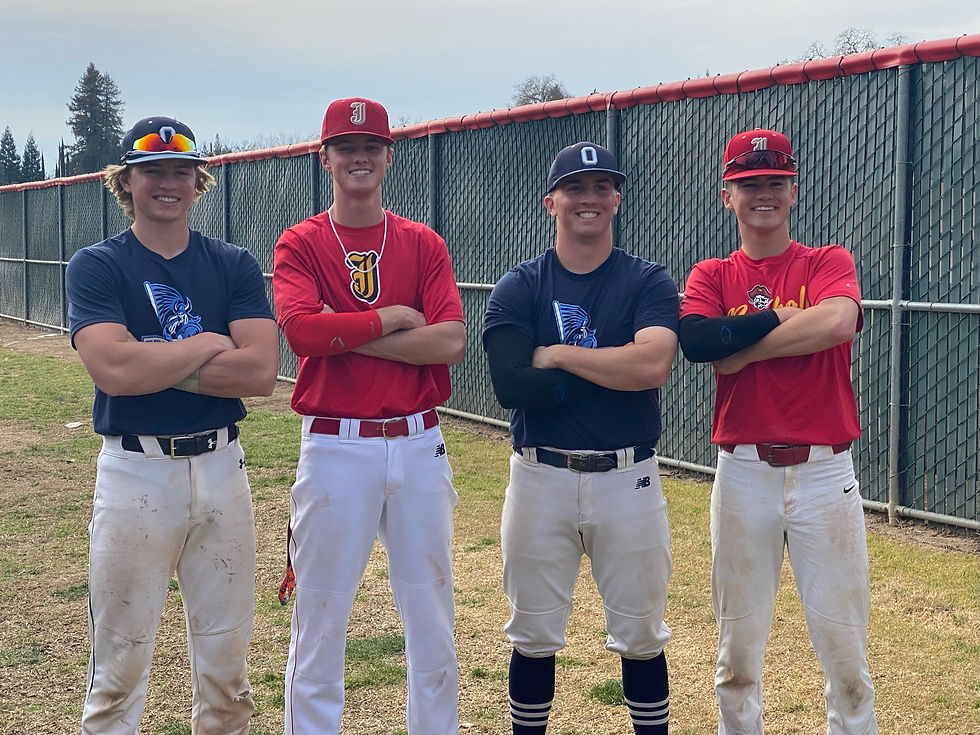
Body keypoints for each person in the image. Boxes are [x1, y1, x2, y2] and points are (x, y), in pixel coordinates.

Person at [65, 116, 279, 735]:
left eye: (180, 172)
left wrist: (152, 357)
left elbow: (261, 371)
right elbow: (113, 369)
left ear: (197, 182)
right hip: (137, 471)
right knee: (119, 670)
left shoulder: (231, 263)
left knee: (227, 671)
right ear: (125, 181)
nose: (167, 183)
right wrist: (210, 342)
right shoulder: (98, 264)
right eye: (152, 171)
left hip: (221, 466)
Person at [272, 97, 466, 735]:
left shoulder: (420, 241)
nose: (359, 156)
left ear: (388, 155)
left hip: (417, 441)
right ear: (323, 156)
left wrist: (344, 331)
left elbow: (449, 343)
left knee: (432, 614)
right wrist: (389, 318)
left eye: (371, 146)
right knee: (321, 618)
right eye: (345, 146)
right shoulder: (301, 240)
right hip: (335, 444)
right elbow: (301, 333)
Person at [678, 128, 878, 735]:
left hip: (825, 471)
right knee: (737, 651)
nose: (762, 193)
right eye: (748, 184)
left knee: (844, 649)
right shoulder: (712, 273)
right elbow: (699, 343)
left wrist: (745, 350)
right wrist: (788, 319)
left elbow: (839, 322)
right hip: (744, 472)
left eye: (773, 182)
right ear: (726, 196)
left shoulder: (826, 261)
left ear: (792, 191)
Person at [482, 142, 679, 734]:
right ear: (551, 202)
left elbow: (651, 368)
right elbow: (512, 385)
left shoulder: (647, 278)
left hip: (628, 476)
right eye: (575, 187)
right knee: (534, 634)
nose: (589, 198)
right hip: (541, 475)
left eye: (601, 187)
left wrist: (559, 356)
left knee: (642, 634)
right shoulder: (521, 283)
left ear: (617, 199)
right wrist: (606, 371)